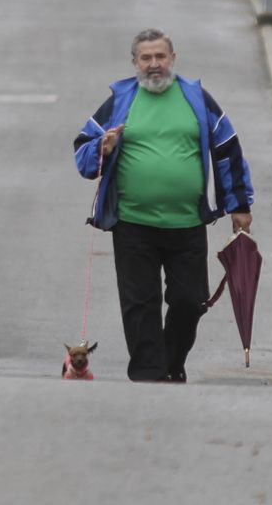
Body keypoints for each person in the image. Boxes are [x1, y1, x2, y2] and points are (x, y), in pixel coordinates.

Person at [71, 28, 254, 382]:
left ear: (173, 58)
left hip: (187, 223)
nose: (154, 64)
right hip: (132, 223)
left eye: (160, 56)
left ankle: (170, 361)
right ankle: (148, 375)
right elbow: (83, 150)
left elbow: (227, 149)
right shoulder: (119, 101)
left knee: (190, 300)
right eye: (146, 58)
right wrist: (101, 148)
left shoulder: (197, 99)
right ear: (135, 62)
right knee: (140, 304)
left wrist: (240, 205)